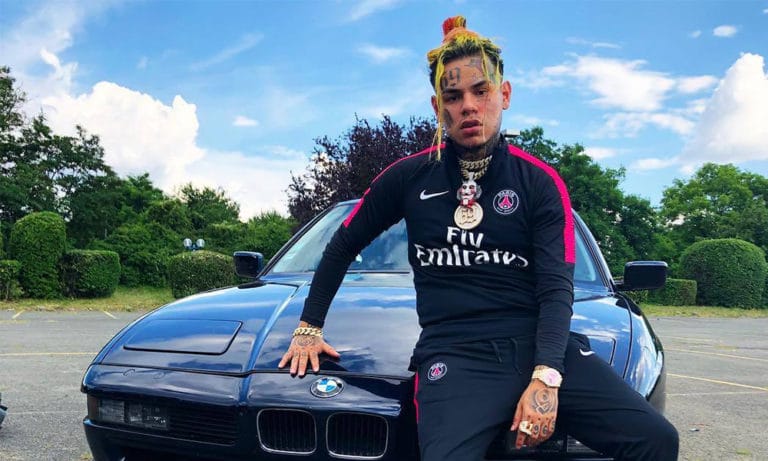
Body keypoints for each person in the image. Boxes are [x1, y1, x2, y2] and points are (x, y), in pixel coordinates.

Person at [279, 15, 679, 461]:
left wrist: (546, 377)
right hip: (456, 354)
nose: (468, 106)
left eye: (480, 91)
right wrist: (309, 327)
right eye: (454, 97)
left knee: (657, 439)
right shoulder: (410, 177)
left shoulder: (539, 183)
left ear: (504, 94)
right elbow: (341, 245)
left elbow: (555, 288)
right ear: (438, 107)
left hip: (535, 344)